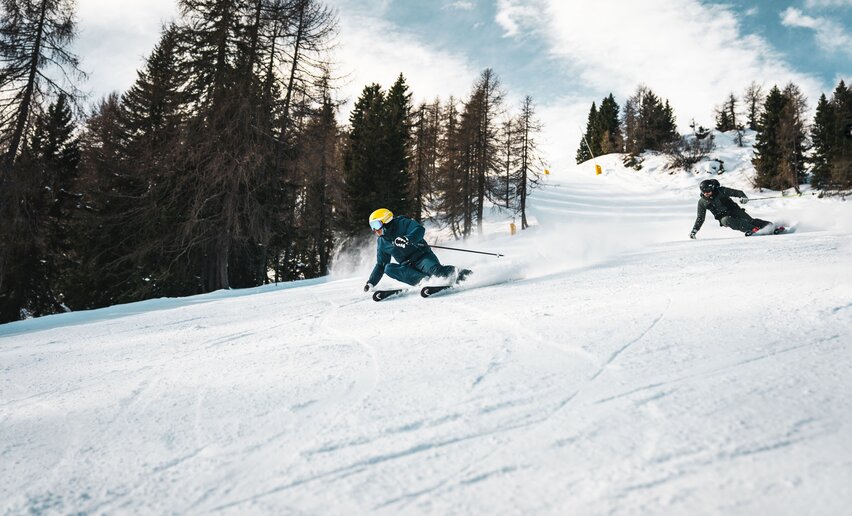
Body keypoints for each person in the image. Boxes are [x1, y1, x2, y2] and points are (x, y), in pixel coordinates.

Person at [364, 208, 470, 291]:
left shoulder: (402, 223)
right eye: (372, 226)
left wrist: (407, 239)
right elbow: (381, 265)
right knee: (388, 268)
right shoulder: (382, 242)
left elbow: (419, 230)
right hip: (407, 267)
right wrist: (371, 282)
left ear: (386, 220)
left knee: (436, 272)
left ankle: (463, 274)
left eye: (376, 224)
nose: (375, 230)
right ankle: (423, 281)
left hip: (422, 257)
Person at [690, 179, 777, 238]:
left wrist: (743, 197)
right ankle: (752, 229)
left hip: (734, 210)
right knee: (728, 220)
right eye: (704, 192)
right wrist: (695, 230)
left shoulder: (721, 191)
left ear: (712, 189)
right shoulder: (702, 202)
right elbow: (700, 218)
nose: (706, 193)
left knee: (749, 220)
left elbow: (737, 192)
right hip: (723, 218)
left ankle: (770, 226)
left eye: (708, 191)